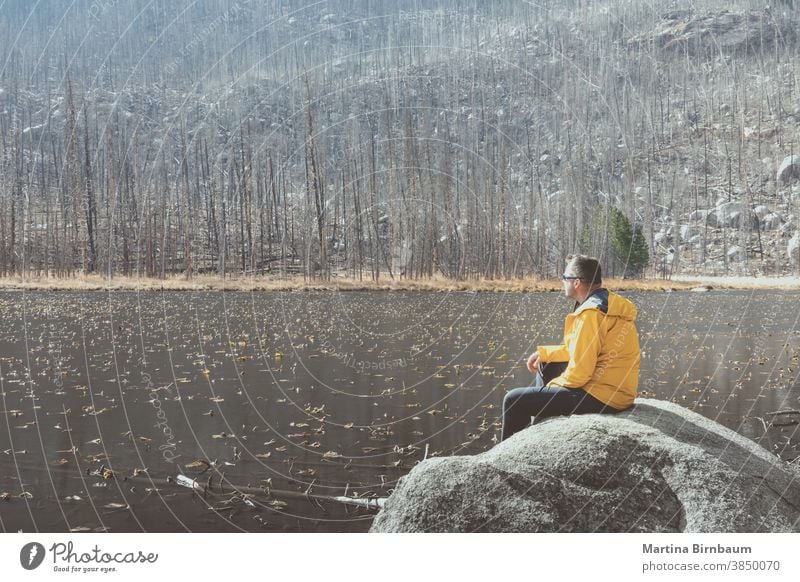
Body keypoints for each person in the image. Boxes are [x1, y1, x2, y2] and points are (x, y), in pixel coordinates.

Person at [501, 255, 640, 441]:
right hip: (616, 392)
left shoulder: (590, 313)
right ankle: (540, 432)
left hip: (602, 397)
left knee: (513, 400)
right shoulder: (607, 304)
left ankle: (511, 456)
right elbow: (581, 349)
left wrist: (552, 386)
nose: (562, 282)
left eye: (564, 277)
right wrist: (544, 354)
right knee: (547, 364)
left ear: (576, 282)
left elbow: (581, 372)